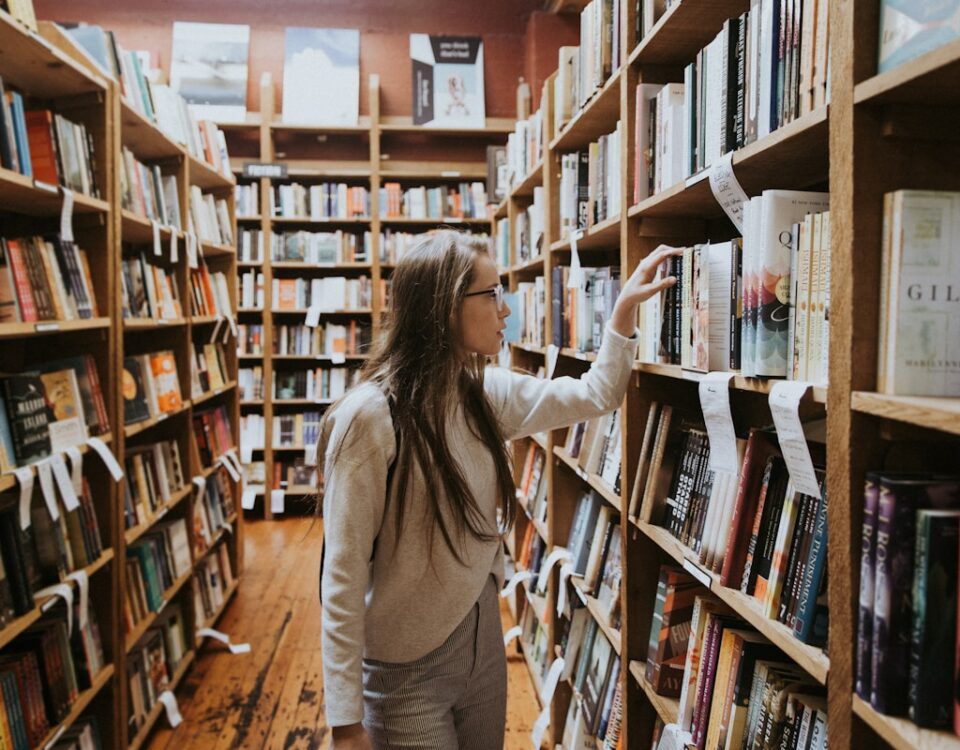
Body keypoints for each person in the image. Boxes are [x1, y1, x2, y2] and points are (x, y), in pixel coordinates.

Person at [318, 230, 680, 750]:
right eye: (491, 294)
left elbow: (596, 393)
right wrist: (345, 721)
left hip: (481, 641)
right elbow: (343, 574)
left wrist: (621, 316)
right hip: (404, 670)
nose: (506, 309)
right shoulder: (370, 419)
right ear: (445, 308)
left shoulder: (486, 393)